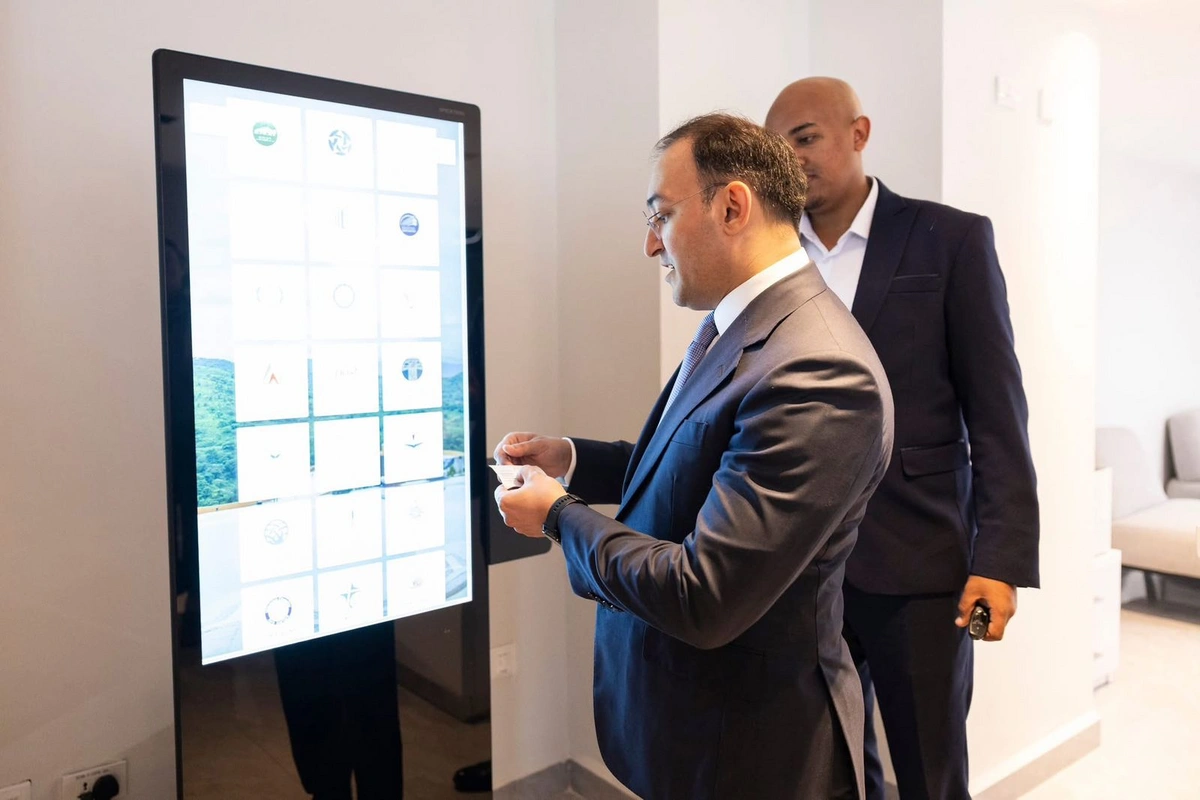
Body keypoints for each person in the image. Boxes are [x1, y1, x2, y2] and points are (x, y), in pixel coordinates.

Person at [493, 113, 894, 800]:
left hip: (748, 749)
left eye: (662, 215)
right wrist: (575, 459)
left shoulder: (818, 370)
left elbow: (705, 595)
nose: (651, 243)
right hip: (692, 726)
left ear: (732, 206)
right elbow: (695, 462)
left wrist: (558, 516)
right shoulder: (741, 326)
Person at [765, 78, 1040, 800]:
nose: (792, 159)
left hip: (919, 563)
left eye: (806, 137)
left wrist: (1001, 560)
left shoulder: (950, 238)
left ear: (859, 133)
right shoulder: (772, 257)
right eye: (778, 147)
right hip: (800, 567)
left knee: (930, 772)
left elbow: (998, 413)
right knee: (832, 768)